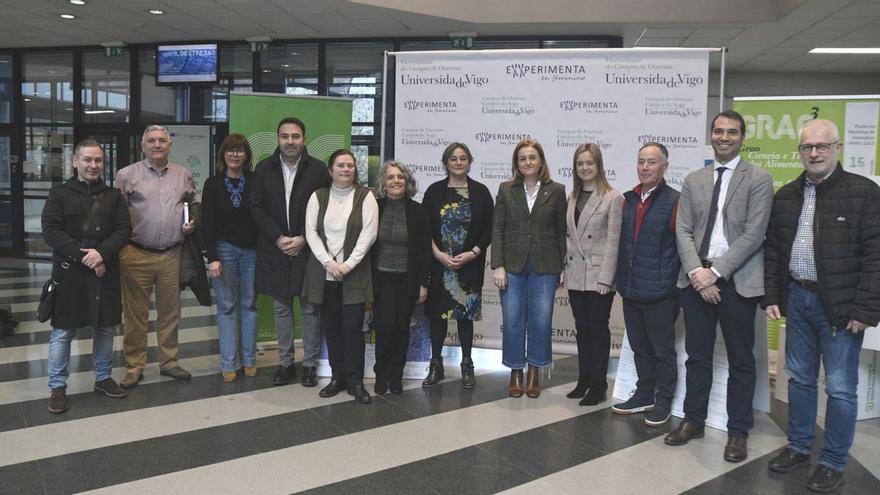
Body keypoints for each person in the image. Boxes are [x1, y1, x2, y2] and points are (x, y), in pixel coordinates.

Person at [764, 119, 880, 493]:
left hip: (841, 305)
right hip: (797, 298)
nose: (814, 153)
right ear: (799, 151)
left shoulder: (864, 193)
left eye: (821, 146)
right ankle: (799, 447)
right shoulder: (787, 195)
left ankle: (832, 461)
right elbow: (774, 251)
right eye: (807, 147)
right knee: (798, 378)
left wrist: (865, 309)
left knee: (842, 387)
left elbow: (876, 256)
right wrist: (772, 296)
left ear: (837, 148)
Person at [665, 110, 774, 463]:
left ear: (742, 136)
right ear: (710, 135)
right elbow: (682, 229)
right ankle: (693, 420)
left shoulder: (758, 179)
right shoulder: (694, 180)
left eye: (732, 132)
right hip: (695, 279)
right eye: (718, 131)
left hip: (737, 282)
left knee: (742, 360)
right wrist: (698, 272)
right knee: (697, 356)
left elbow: (754, 234)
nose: (724, 137)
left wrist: (717, 274)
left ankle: (738, 432)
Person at [42, 139, 132, 413]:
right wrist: (86, 256)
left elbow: (124, 230)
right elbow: (51, 231)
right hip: (70, 273)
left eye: (98, 161)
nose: (93, 165)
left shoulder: (114, 195)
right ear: (74, 161)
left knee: (105, 327)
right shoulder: (59, 194)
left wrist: (102, 253)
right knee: (63, 331)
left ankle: (103, 378)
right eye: (87, 160)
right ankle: (58, 386)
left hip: (105, 271)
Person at [251, 117, 330, 387]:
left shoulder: (319, 170)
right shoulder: (263, 169)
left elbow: (326, 210)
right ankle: (285, 364)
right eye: (285, 136)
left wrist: (303, 239)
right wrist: (278, 238)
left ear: (304, 138)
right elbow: (257, 208)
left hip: (308, 249)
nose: (290, 141)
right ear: (278, 139)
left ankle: (309, 365)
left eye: (295, 136)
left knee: (310, 310)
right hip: (275, 250)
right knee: (282, 309)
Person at [116, 125, 196, 388]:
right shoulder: (126, 175)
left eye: (162, 140)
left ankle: (169, 362)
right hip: (135, 253)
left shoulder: (183, 175)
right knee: (135, 315)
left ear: (170, 145)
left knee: (170, 313)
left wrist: (191, 222)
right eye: (151, 140)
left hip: (171, 254)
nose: (157, 144)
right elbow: (115, 215)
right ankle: (134, 365)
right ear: (143, 145)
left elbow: (191, 206)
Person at [610, 142, 680, 426]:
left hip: (661, 291)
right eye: (641, 162)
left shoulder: (675, 200)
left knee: (662, 351)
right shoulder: (628, 199)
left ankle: (663, 400)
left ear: (665, 166)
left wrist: (670, 283)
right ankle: (644, 393)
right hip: (631, 288)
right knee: (639, 347)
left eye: (652, 162)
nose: (645, 167)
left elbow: (681, 245)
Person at [491, 138, 566, 398]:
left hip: (546, 265)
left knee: (541, 320)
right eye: (522, 158)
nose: (528, 162)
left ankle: (534, 371)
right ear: (516, 163)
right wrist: (497, 265)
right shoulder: (506, 189)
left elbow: (560, 231)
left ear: (541, 161)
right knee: (512, 320)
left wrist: (562, 265)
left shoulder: (556, 190)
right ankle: (515, 372)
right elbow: (497, 229)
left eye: (532, 157)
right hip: (511, 264)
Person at [302, 149, 378, 404]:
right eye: (340, 165)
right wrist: (328, 262)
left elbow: (369, 234)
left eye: (350, 165)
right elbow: (310, 232)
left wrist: (348, 265)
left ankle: (356, 382)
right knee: (332, 328)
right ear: (331, 169)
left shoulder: (366, 197)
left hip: (354, 274)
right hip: (325, 273)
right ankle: (338, 378)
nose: (346, 169)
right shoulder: (318, 196)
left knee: (353, 329)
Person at [421, 143, 493, 389]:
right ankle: (436, 365)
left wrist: (473, 254)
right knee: (438, 318)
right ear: (446, 163)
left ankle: (467, 366)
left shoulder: (481, 192)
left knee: (465, 318)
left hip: (469, 266)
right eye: (454, 158)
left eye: (463, 158)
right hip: (439, 266)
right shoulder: (433, 192)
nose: (459, 162)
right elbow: (425, 230)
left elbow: (489, 230)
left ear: (469, 162)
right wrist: (438, 255)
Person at [563, 143, 624, 406]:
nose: (585, 168)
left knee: (598, 329)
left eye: (589, 163)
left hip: (599, 275)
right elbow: (569, 238)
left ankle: (599, 385)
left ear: (598, 165)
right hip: (576, 272)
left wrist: (606, 278)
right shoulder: (573, 196)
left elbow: (614, 240)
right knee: (582, 328)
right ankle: (584, 378)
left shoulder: (613, 197)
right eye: (580, 164)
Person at [371, 161, 431, 395]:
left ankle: (396, 375)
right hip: (381, 279)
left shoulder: (418, 212)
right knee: (384, 328)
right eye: (391, 177)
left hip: (408, 280)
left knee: (401, 329)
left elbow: (425, 250)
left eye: (401, 177)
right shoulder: (374, 207)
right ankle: (381, 375)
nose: (396, 181)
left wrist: (423, 283)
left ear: (407, 183)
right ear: (383, 184)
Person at [202, 134, 258, 382]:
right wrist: (211, 258)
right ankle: (228, 363)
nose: (234, 154)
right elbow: (207, 223)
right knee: (226, 308)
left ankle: (249, 360)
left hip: (253, 252)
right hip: (223, 251)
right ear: (223, 154)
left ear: (246, 155)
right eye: (230, 150)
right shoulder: (212, 184)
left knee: (249, 305)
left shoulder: (256, 181)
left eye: (239, 150)